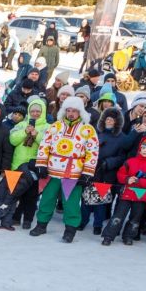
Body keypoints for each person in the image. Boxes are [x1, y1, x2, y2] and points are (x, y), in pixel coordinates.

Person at [30, 96, 98, 242]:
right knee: (47, 199)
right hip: (52, 170)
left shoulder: (88, 130)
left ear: (80, 111)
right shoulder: (56, 126)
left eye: (74, 110)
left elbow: (92, 152)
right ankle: (41, 225)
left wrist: (87, 173)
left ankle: (70, 230)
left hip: (73, 173)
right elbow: (44, 145)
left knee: (71, 203)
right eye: (68, 110)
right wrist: (41, 164)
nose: (71, 113)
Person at [101, 136, 146, 246]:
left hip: (141, 196)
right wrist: (127, 179)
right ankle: (108, 236)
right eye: (143, 148)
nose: (145, 150)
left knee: (135, 218)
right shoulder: (130, 161)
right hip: (126, 194)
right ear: (139, 149)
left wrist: (139, 182)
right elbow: (120, 174)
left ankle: (128, 236)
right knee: (118, 216)